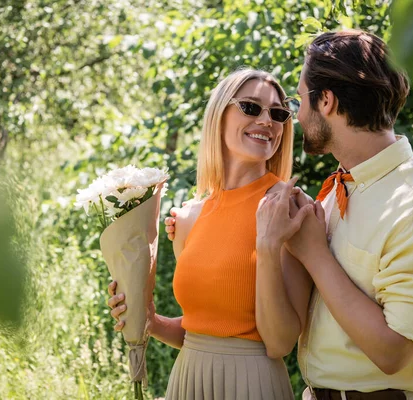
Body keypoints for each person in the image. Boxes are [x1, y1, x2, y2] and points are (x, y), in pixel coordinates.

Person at [169, 30, 413, 400]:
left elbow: (392, 351)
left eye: (296, 103)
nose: (292, 118)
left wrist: (313, 253)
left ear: (326, 101)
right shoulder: (334, 194)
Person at [107, 68, 314, 399]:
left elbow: (280, 343)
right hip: (188, 381)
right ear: (219, 115)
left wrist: (268, 246)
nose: (267, 121)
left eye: (278, 113)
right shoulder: (190, 215)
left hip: (252, 386)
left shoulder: (289, 206)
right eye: (250, 107)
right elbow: (200, 329)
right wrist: (149, 320)